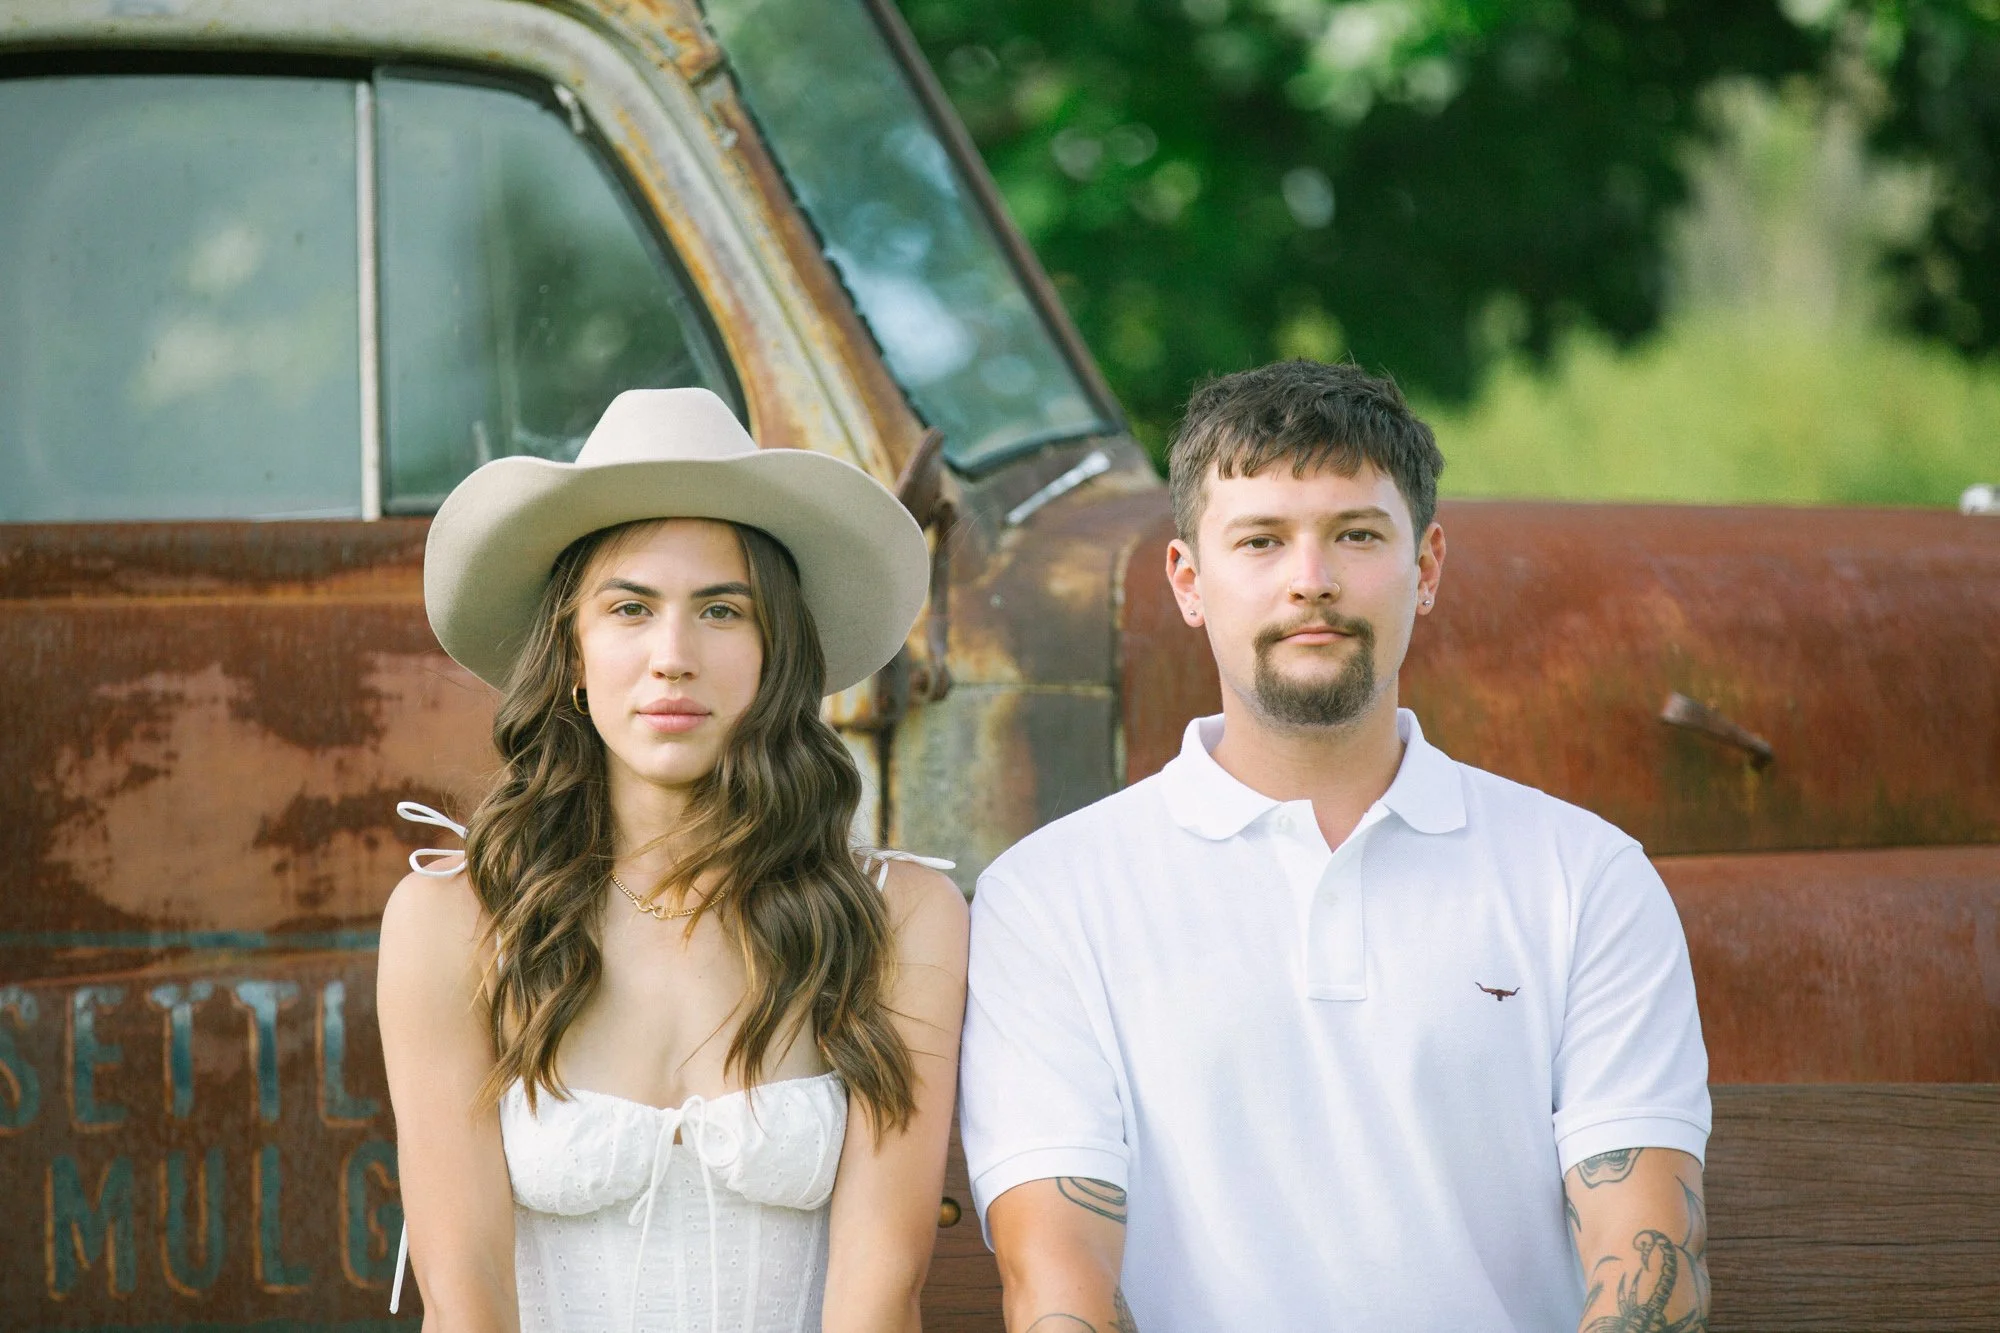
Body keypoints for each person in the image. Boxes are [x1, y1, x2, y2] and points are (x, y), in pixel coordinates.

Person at [958, 361, 1711, 1331]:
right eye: (1260, 540)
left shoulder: (1584, 876)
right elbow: (1058, 1280)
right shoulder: (1049, 895)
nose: (1309, 581)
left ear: (1425, 566)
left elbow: (1646, 1258)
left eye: (1354, 535)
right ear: (1188, 581)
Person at [377, 388, 969, 1333]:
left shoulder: (898, 916)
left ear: (778, 651)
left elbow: (880, 1292)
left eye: (722, 611)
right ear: (572, 650)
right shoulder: (453, 917)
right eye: (629, 608)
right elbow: (466, 1297)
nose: (672, 655)